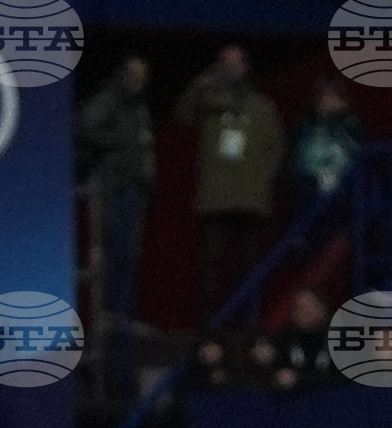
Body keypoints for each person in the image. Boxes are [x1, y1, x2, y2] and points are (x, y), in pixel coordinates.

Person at [173, 47, 285, 316]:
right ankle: (210, 327)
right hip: (215, 200)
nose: (230, 69)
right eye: (224, 63)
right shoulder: (209, 107)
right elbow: (180, 114)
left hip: (250, 201)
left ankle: (244, 322)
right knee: (210, 267)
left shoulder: (262, 108)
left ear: (247, 67)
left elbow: (276, 149)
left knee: (246, 266)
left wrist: (260, 182)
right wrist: (203, 81)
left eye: (235, 63)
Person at [77, 56, 155, 400]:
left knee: (129, 257)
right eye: (135, 73)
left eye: (144, 74)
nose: (140, 79)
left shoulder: (138, 107)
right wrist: (121, 145)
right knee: (114, 257)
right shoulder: (109, 100)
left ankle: (123, 314)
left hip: (133, 189)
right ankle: (112, 315)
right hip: (114, 187)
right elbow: (86, 127)